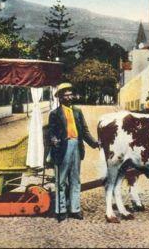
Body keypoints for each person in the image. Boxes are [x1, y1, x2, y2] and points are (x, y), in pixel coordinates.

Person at [45, 82, 101, 222]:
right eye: (66, 95)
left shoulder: (77, 111)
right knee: (61, 180)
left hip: (76, 146)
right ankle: (61, 210)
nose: (69, 97)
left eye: (71, 94)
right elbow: (50, 133)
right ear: (60, 98)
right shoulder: (55, 114)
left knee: (75, 179)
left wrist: (94, 143)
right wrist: (53, 139)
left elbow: (85, 130)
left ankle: (75, 209)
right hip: (62, 148)